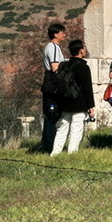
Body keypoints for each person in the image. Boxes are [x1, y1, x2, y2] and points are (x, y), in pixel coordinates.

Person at [50, 39, 95, 156]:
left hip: (64, 102)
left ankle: (55, 152)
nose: (85, 50)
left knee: (62, 128)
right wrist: (91, 106)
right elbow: (87, 88)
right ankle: (72, 153)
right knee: (76, 129)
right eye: (84, 48)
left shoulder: (64, 65)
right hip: (79, 102)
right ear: (81, 51)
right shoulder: (83, 67)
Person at [40, 23, 67, 152]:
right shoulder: (54, 48)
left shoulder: (52, 47)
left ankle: (47, 142)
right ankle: (49, 143)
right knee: (52, 114)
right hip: (53, 82)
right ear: (55, 34)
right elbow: (55, 67)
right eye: (62, 32)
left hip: (49, 81)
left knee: (50, 115)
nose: (64, 35)